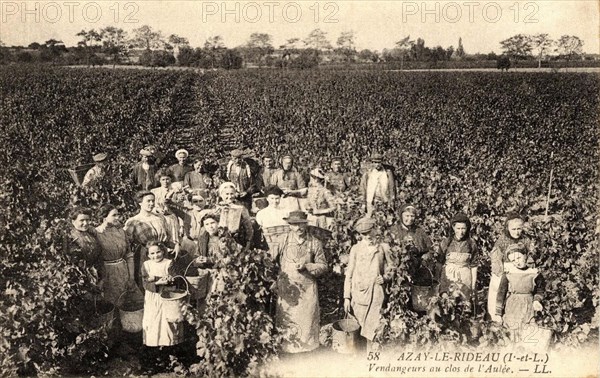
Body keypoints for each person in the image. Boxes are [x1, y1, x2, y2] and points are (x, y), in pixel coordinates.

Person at [271, 211, 328, 353]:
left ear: (305, 224)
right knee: (286, 319)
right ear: (290, 226)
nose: (298, 228)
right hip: (287, 287)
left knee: (307, 321)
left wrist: (308, 266)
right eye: (295, 225)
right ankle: (287, 352)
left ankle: (307, 353)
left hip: (307, 289)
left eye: (301, 224)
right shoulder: (282, 240)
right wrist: (273, 280)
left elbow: (323, 266)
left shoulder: (314, 242)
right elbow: (269, 261)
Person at [343, 217, 394, 345]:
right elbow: (349, 274)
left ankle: (371, 358)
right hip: (359, 295)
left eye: (370, 232)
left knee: (373, 331)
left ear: (375, 230)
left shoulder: (383, 248)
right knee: (357, 331)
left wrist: (386, 277)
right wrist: (347, 297)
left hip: (376, 294)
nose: (368, 236)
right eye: (364, 234)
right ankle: (359, 361)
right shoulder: (356, 249)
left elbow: (392, 268)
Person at [124, 191, 180, 288]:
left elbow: (168, 236)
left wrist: (176, 245)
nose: (151, 204)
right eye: (148, 201)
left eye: (153, 201)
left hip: (163, 252)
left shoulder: (160, 217)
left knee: (167, 279)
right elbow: (127, 242)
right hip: (145, 255)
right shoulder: (133, 221)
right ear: (140, 203)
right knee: (150, 282)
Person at [487, 213, 534, 322]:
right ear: (507, 228)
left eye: (519, 229)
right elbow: (496, 257)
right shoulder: (502, 240)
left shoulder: (526, 240)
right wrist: (499, 271)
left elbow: (530, 255)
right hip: (505, 268)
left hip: (520, 268)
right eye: (513, 229)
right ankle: (496, 317)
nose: (516, 232)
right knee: (499, 290)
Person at [495, 244, 543, 343]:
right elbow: (501, 293)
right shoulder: (508, 273)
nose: (517, 262)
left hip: (528, 306)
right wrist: (498, 313)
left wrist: (537, 301)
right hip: (513, 306)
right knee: (512, 330)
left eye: (518, 257)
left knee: (528, 329)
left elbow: (540, 290)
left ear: (525, 255)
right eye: (513, 260)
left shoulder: (534, 273)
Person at [141, 241, 183, 347]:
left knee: (167, 320)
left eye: (158, 252)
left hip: (167, 296)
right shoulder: (146, 265)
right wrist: (157, 283)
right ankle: (153, 344)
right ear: (148, 255)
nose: (156, 256)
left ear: (163, 252)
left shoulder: (169, 263)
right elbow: (145, 283)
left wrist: (168, 280)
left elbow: (177, 278)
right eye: (152, 254)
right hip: (152, 297)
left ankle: (170, 344)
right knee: (152, 320)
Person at [95, 204, 135, 306]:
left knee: (123, 299)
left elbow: (129, 255)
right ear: (104, 217)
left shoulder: (121, 232)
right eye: (114, 215)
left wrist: (131, 276)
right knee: (108, 302)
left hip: (122, 269)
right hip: (106, 272)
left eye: (118, 215)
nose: (118, 218)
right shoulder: (96, 233)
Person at [438, 213, 478, 308]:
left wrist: (473, 285)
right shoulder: (446, 243)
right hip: (448, 275)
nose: (461, 232)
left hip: (464, 276)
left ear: (467, 228)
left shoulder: (471, 244)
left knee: (464, 304)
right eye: (458, 228)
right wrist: (437, 280)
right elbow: (439, 262)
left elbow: (474, 265)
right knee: (447, 303)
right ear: (453, 228)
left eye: (463, 228)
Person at [389, 204, 433, 276]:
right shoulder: (394, 231)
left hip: (417, 269)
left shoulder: (420, 231)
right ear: (401, 216)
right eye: (407, 216)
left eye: (412, 216)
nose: (410, 219)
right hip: (397, 270)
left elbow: (430, 248)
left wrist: (425, 258)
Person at [67, 207, 104, 285]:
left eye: (87, 220)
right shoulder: (70, 237)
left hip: (95, 274)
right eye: (82, 220)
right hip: (80, 278)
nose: (86, 223)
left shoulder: (91, 233)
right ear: (73, 221)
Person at [212, 182, 254, 251]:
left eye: (232, 194)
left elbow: (249, 227)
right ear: (221, 195)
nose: (230, 196)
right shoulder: (216, 209)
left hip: (238, 241)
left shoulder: (241, 208)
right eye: (227, 194)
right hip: (220, 242)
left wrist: (248, 243)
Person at [151, 171, 182, 243]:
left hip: (172, 219)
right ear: (159, 180)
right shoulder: (154, 191)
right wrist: (157, 209)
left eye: (167, 179)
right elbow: (151, 206)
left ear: (171, 179)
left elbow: (180, 209)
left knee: (173, 241)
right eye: (163, 179)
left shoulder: (176, 191)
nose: (165, 182)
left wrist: (182, 225)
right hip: (158, 218)